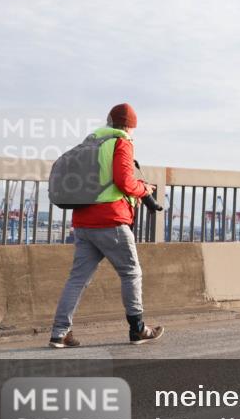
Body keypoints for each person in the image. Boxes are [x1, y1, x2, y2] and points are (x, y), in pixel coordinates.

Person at [49, 103, 165, 348]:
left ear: (109, 122)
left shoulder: (89, 144)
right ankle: (137, 329)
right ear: (131, 126)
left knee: (77, 279)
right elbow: (124, 181)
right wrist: (145, 189)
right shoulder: (121, 143)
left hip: (83, 222)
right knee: (130, 272)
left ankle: (59, 333)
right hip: (111, 220)